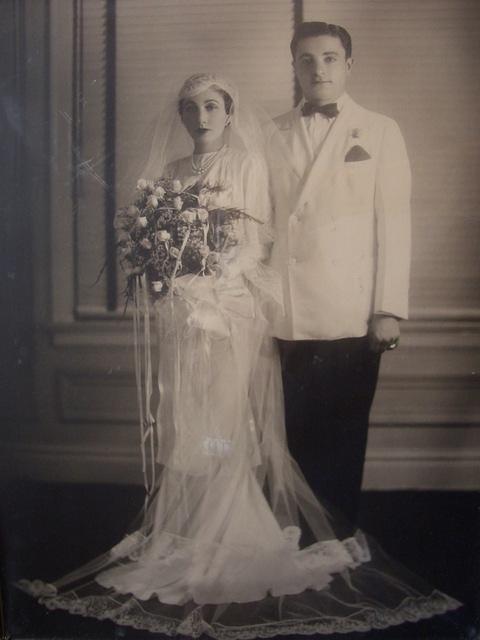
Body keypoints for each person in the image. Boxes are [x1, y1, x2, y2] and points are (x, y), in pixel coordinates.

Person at [18, 73, 459, 638]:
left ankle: (232, 531)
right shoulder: (173, 173)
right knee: (191, 419)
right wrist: (171, 282)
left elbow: (256, 244)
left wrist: (213, 288)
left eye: (211, 106)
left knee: (227, 422)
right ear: (181, 117)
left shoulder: (248, 165)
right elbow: (163, 246)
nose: (201, 118)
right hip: (184, 317)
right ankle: (189, 528)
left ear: (228, 113)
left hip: (229, 314)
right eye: (190, 109)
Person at [270, 21, 412, 531]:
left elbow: (394, 225)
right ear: (294, 67)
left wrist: (388, 308)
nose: (318, 69)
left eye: (329, 58)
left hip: (351, 313)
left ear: (348, 64)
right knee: (289, 435)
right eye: (306, 60)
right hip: (285, 312)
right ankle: (292, 541)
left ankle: (334, 544)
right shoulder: (270, 132)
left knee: (344, 434)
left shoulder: (379, 130)